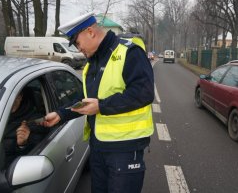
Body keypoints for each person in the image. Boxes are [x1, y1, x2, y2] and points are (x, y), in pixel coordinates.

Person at [41, 12, 154, 193]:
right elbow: (88, 101)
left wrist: (101, 106)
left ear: (90, 32)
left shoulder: (129, 52)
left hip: (124, 149)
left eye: (77, 43)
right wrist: (62, 114)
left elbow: (144, 93)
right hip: (98, 147)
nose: (78, 50)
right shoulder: (92, 62)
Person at [4, 88, 50, 166]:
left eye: (12, 96)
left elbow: (35, 157)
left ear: (20, 96)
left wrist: (22, 145)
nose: (8, 101)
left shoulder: (36, 121)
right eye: (4, 97)